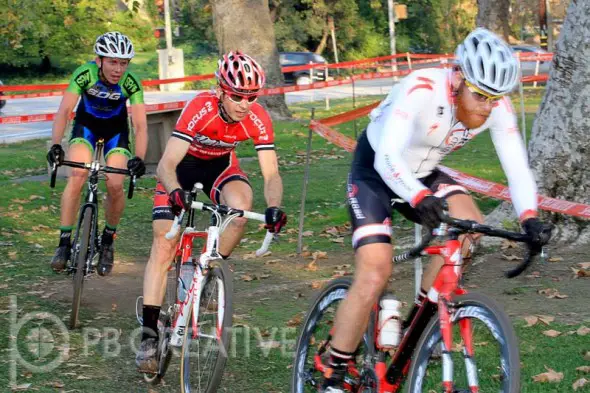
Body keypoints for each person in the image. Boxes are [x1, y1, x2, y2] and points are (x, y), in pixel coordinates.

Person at [319, 28, 549, 392]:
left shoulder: (495, 106)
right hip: (376, 170)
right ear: (458, 78)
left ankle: (420, 322)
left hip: (423, 173)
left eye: (495, 98)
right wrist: (415, 197)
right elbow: (388, 157)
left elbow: (517, 169)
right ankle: (333, 369)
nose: (487, 106)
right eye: (480, 95)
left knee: (471, 226)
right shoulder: (421, 87)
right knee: (375, 272)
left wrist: (530, 218)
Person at [135, 51, 287, 372]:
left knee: (241, 209)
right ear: (220, 90)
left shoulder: (257, 117)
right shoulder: (200, 108)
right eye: (237, 95)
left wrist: (274, 207)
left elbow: (271, 174)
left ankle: (205, 274)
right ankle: (149, 334)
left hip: (220, 168)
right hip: (182, 168)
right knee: (163, 243)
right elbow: (166, 164)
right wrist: (175, 192)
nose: (244, 103)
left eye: (251, 96)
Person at [46, 31, 147, 277]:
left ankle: (108, 240)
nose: (118, 69)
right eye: (113, 62)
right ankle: (63, 243)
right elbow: (64, 111)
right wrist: (56, 144)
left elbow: (141, 125)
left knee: (115, 183)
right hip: (86, 127)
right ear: (99, 59)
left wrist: (139, 158)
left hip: (116, 131)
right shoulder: (85, 74)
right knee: (78, 174)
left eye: (123, 63)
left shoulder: (131, 82)